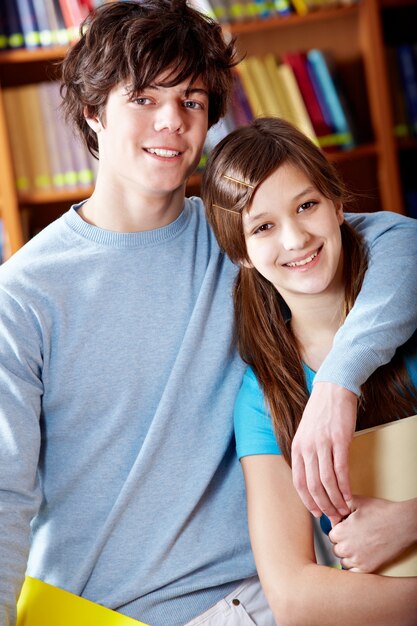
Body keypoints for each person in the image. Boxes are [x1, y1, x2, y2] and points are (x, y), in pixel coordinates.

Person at [0, 1, 416, 624]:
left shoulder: (248, 238)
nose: (171, 121)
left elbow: (397, 245)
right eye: (143, 97)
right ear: (92, 111)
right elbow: (4, 499)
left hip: (259, 597)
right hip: (104, 611)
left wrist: (337, 382)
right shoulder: (23, 294)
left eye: (192, 101)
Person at [201, 116, 417, 625]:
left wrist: (408, 522)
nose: (296, 238)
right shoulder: (263, 396)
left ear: (339, 205)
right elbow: (296, 599)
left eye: (306, 205)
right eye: (263, 226)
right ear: (242, 253)